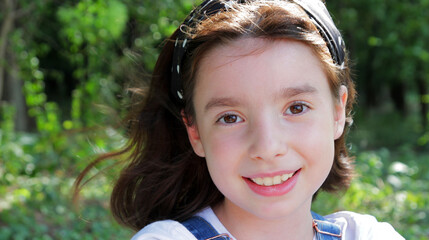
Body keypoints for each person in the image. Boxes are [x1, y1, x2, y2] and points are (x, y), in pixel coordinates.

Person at [75, 0, 405, 239]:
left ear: (337, 111)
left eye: (296, 107)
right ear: (195, 132)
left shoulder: (366, 234)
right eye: (230, 117)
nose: (267, 147)